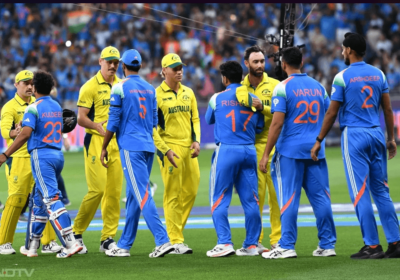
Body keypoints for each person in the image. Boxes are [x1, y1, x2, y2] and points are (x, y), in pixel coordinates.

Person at [311, 32, 400, 259]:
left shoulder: (342, 77)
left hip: (354, 136)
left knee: (361, 192)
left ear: (349, 50)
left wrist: (319, 139)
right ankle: (396, 242)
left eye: (343, 48)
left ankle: (372, 246)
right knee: (382, 191)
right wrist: (391, 138)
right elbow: (388, 110)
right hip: (376, 133)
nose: (342, 51)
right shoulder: (379, 74)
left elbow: (332, 112)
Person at [260, 47, 337, 259]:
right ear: (301, 62)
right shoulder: (318, 87)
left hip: (290, 152)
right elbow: (330, 114)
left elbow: (276, 124)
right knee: (321, 199)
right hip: (315, 151)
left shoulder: (282, 88)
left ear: (283, 64)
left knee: (289, 199)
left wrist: (266, 154)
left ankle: (286, 245)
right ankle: (327, 244)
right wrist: (319, 140)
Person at [0, 70, 82, 258]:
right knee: (21, 200)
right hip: (22, 158)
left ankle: (57, 242)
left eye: (31, 83)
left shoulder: (34, 106)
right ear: (16, 85)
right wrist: (16, 132)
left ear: (35, 87)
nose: (29, 86)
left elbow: (28, 133)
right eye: (25, 83)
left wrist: (6, 151)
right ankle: (12, 243)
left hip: (38, 156)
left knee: (47, 200)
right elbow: (6, 132)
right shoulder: (10, 107)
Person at [100, 49, 174, 258]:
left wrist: (105, 146)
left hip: (130, 147)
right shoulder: (151, 89)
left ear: (123, 66)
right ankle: (124, 245)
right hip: (148, 146)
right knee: (133, 196)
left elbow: (113, 121)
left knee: (141, 194)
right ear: (140, 66)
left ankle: (162, 240)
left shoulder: (119, 87)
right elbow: (153, 123)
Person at [205, 61, 264, 257]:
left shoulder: (217, 98)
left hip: (227, 150)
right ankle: (252, 245)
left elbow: (208, 119)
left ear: (225, 78)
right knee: (251, 200)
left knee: (219, 198)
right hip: (248, 150)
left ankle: (224, 243)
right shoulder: (254, 99)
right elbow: (260, 127)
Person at [74, 46, 123, 253]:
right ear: (100, 61)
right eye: (109, 61)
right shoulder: (90, 86)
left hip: (117, 144)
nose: (112, 65)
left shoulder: (122, 86)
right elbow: (80, 118)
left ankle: (107, 238)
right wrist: (96, 126)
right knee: (98, 190)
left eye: (116, 62)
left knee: (113, 193)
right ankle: (75, 233)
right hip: (95, 141)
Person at [153, 53, 201, 254]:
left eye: (181, 67)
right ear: (164, 71)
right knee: (173, 194)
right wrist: (165, 150)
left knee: (191, 191)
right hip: (169, 147)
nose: (180, 71)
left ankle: (174, 234)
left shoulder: (189, 92)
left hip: (188, 147)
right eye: (175, 68)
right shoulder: (155, 95)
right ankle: (176, 239)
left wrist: (197, 140)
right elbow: (152, 127)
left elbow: (195, 119)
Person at [236, 45, 281, 253]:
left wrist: (264, 108)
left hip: (273, 146)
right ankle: (255, 241)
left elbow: (283, 114)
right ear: (247, 64)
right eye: (256, 62)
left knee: (276, 197)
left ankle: (278, 240)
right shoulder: (239, 88)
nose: (260, 65)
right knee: (255, 198)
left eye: (262, 61)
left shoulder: (275, 85)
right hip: (250, 148)